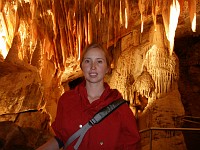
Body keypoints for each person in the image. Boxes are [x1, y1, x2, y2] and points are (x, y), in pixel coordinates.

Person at [36, 43, 140, 150]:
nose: (93, 67)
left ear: (108, 68)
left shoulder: (121, 109)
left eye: (99, 61)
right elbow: (61, 138)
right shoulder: (67, 100)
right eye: (87, 61)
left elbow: (131, 145)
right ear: (81, 66)